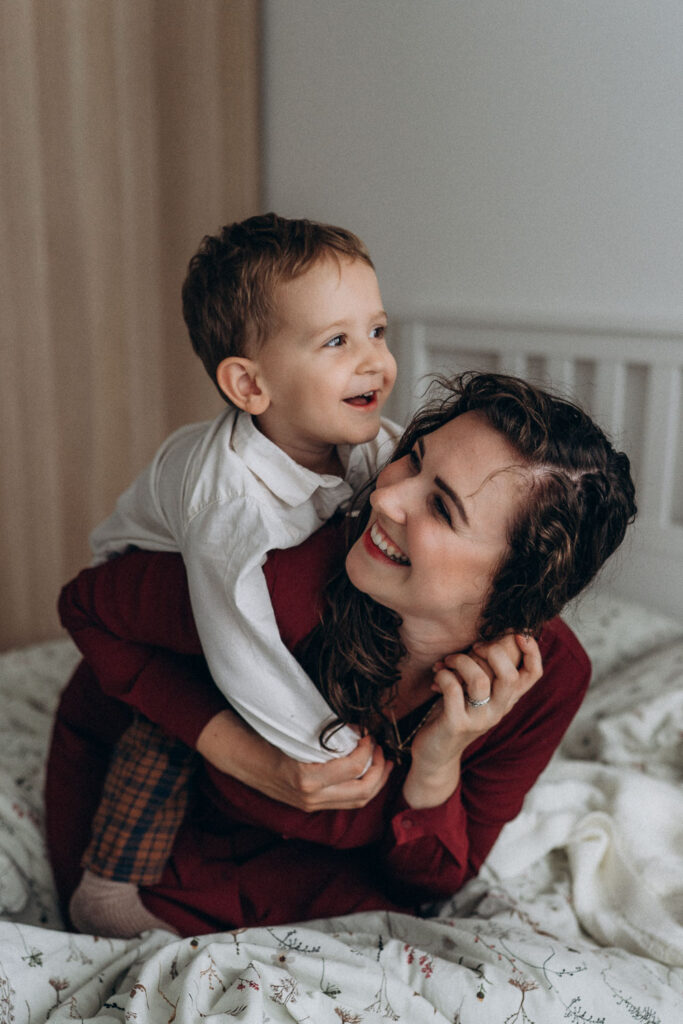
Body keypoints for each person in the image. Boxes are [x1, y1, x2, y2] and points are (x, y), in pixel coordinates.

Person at [49, 372, 637, 939]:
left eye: (441, 508)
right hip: (164, 811)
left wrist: (439, 758)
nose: (385, 495)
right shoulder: (271, 580)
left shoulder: (548, 681)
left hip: (319, 868)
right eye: (414, 459)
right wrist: (241, 753)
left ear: (515, 590)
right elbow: (86, 604)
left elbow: (430, 881)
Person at [68, 212, 399, 934]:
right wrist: (324, 744)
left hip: (234, 581)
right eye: (337, 341)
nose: (375, 361)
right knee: (180, 707)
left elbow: (418, 482)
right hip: (155, 582)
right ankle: (108, 882)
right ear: (250, 385)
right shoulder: (232, 501)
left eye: (377, 330)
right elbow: (240, 642)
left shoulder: (367, 444)